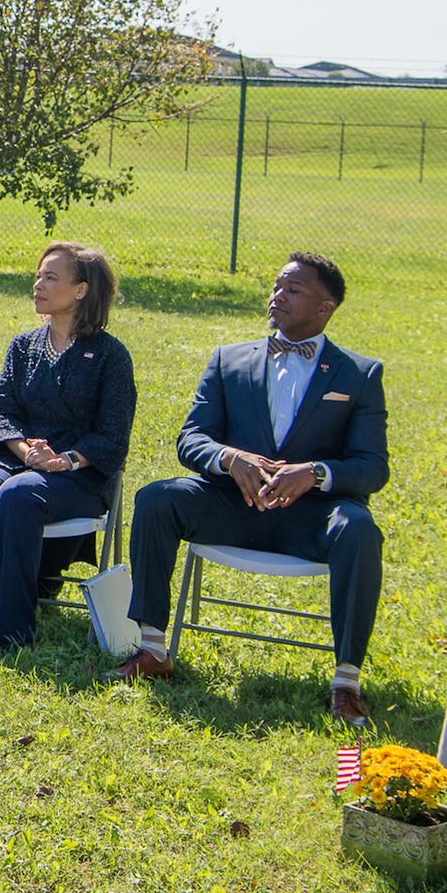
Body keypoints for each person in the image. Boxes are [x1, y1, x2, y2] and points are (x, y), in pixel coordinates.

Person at [111, 252, 387, 727]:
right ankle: (153, 649)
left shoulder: (358, 375)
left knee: (359, 527)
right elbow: (191, 438)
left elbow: (372, 467)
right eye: (277, 285)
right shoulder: (229, 359)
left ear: (326, 307)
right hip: (230, 507)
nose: (278, 295)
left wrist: (316, 473)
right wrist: (228, 457)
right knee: (157, 498)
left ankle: (346, 682)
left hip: (310, 517)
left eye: (294, 289)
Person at [0, 241, 135, 647]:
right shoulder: (23, 346)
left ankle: (13, 633)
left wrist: (63, 460)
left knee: (19, 496)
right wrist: (25, 452)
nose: (38, 284)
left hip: (79, 475)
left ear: (81, 289)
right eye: (38, 275)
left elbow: (113, 436)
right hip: (18, 458)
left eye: (50, 277)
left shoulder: (110, 357)